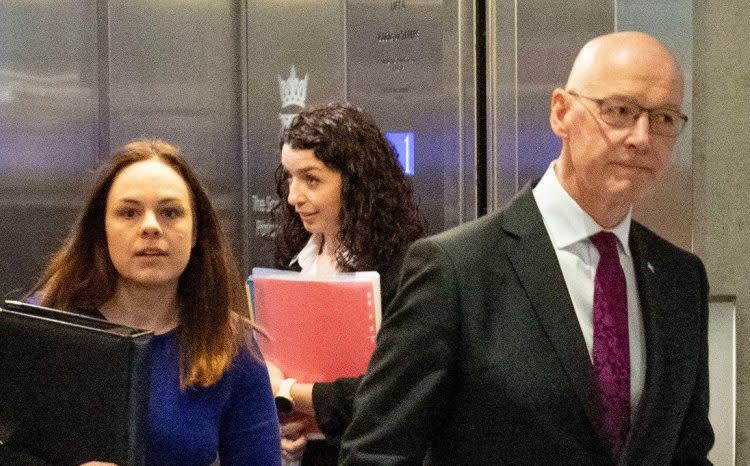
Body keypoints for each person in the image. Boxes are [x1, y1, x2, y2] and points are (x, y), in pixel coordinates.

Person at [340, 31, 714, 465]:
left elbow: (688, 452)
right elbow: (376, 454)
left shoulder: (680, 278)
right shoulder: (455, 271)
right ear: (561, 113)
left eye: (665, 119)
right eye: (620, 111)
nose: (642, 137)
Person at [26, 139, 281, 465]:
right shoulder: (42, 328)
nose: (150, 226)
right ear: (102, 229)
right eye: (129, 212)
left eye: (170, 212)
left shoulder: (230, 343)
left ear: (195, 232)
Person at [268, 102, 426, 465]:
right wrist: (285, 424)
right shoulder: (294, 257)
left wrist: (287, 392)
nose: (293, 197)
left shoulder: (407, 268)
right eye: (290, 178)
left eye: (311, 179)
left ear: (356, 183)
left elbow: (389, 389)